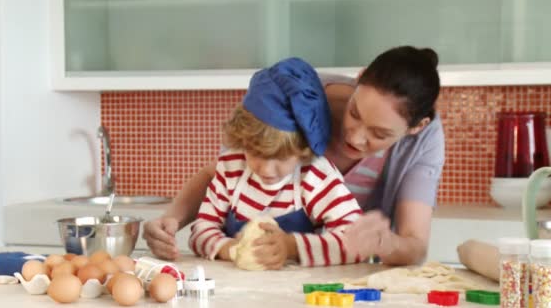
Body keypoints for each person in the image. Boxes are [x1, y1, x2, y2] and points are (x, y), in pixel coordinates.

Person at [143, 46, 444, 266]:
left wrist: (380, 243)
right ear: (359, 78)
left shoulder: (318, 178)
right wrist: (173, 220)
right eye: (354, 113)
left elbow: (413, 245)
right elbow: (220, 175)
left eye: (379, 134)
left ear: (417, 127)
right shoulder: (292, 98)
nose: (354, 136)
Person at [188, 58, 362, 269]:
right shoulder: (231, 166)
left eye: (281, 157)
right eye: (255, 153)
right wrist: (233, 249)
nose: (266, 169)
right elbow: (201, 229)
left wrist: (292, 247)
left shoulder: (315, 176)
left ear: (303, 150)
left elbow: (356, 241)